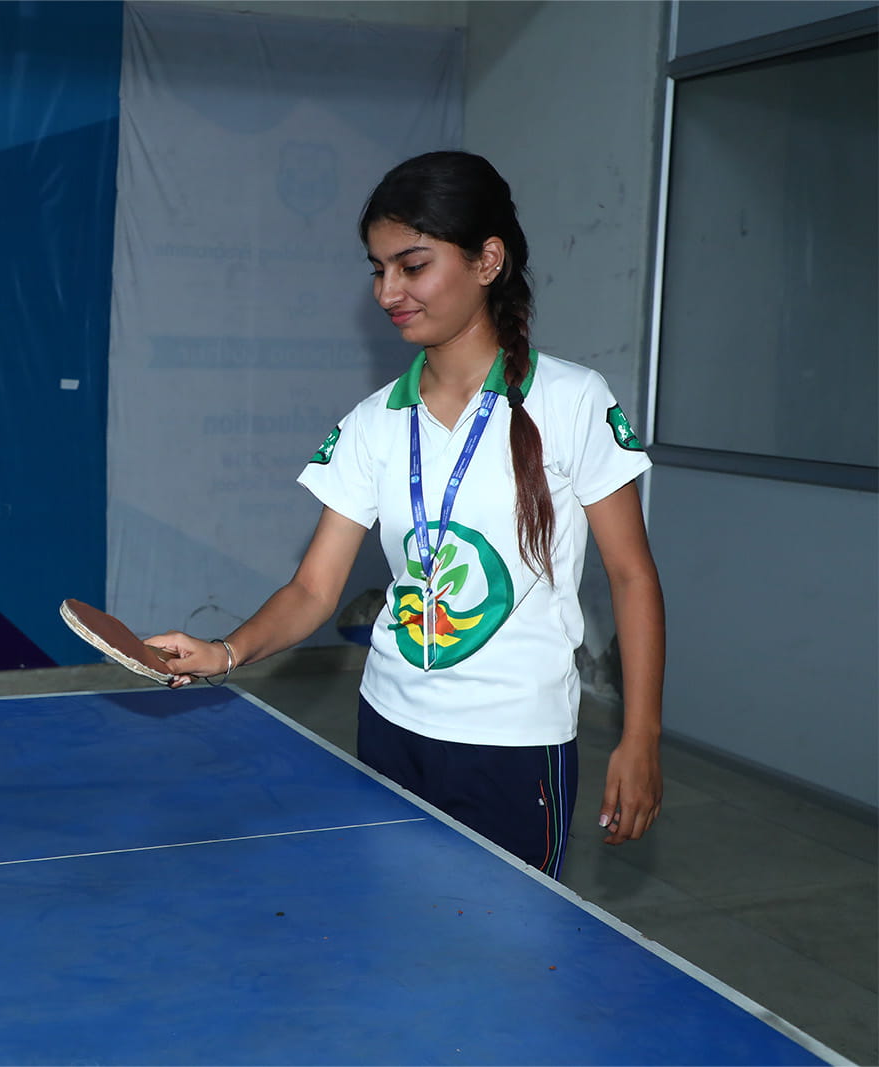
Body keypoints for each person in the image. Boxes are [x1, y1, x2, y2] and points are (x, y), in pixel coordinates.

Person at [147, 151, 664, 879]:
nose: (388, 291)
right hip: (389, 728)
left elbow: (632, 577)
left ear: (487, 261)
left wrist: (640, 737)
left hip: (515, 747)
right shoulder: (373, 422)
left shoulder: (573, 401)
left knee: (507, 942)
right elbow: (313, 589)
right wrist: (223, 652)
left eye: (412, 265)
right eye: (378, 269)